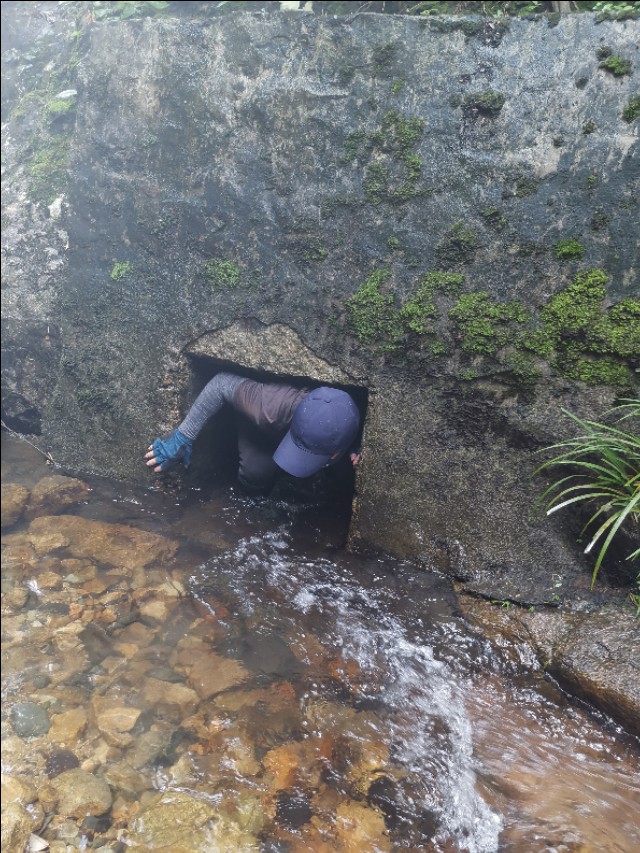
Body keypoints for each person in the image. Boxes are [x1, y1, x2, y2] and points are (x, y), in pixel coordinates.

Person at [145, 372, 361, 495]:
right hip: (266, 434)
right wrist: (184, 436)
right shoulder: (271, 405)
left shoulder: (354, 418)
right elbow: (221, 383)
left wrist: (359, 446)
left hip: (342, 449)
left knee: (345, 478)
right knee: (255, 474)